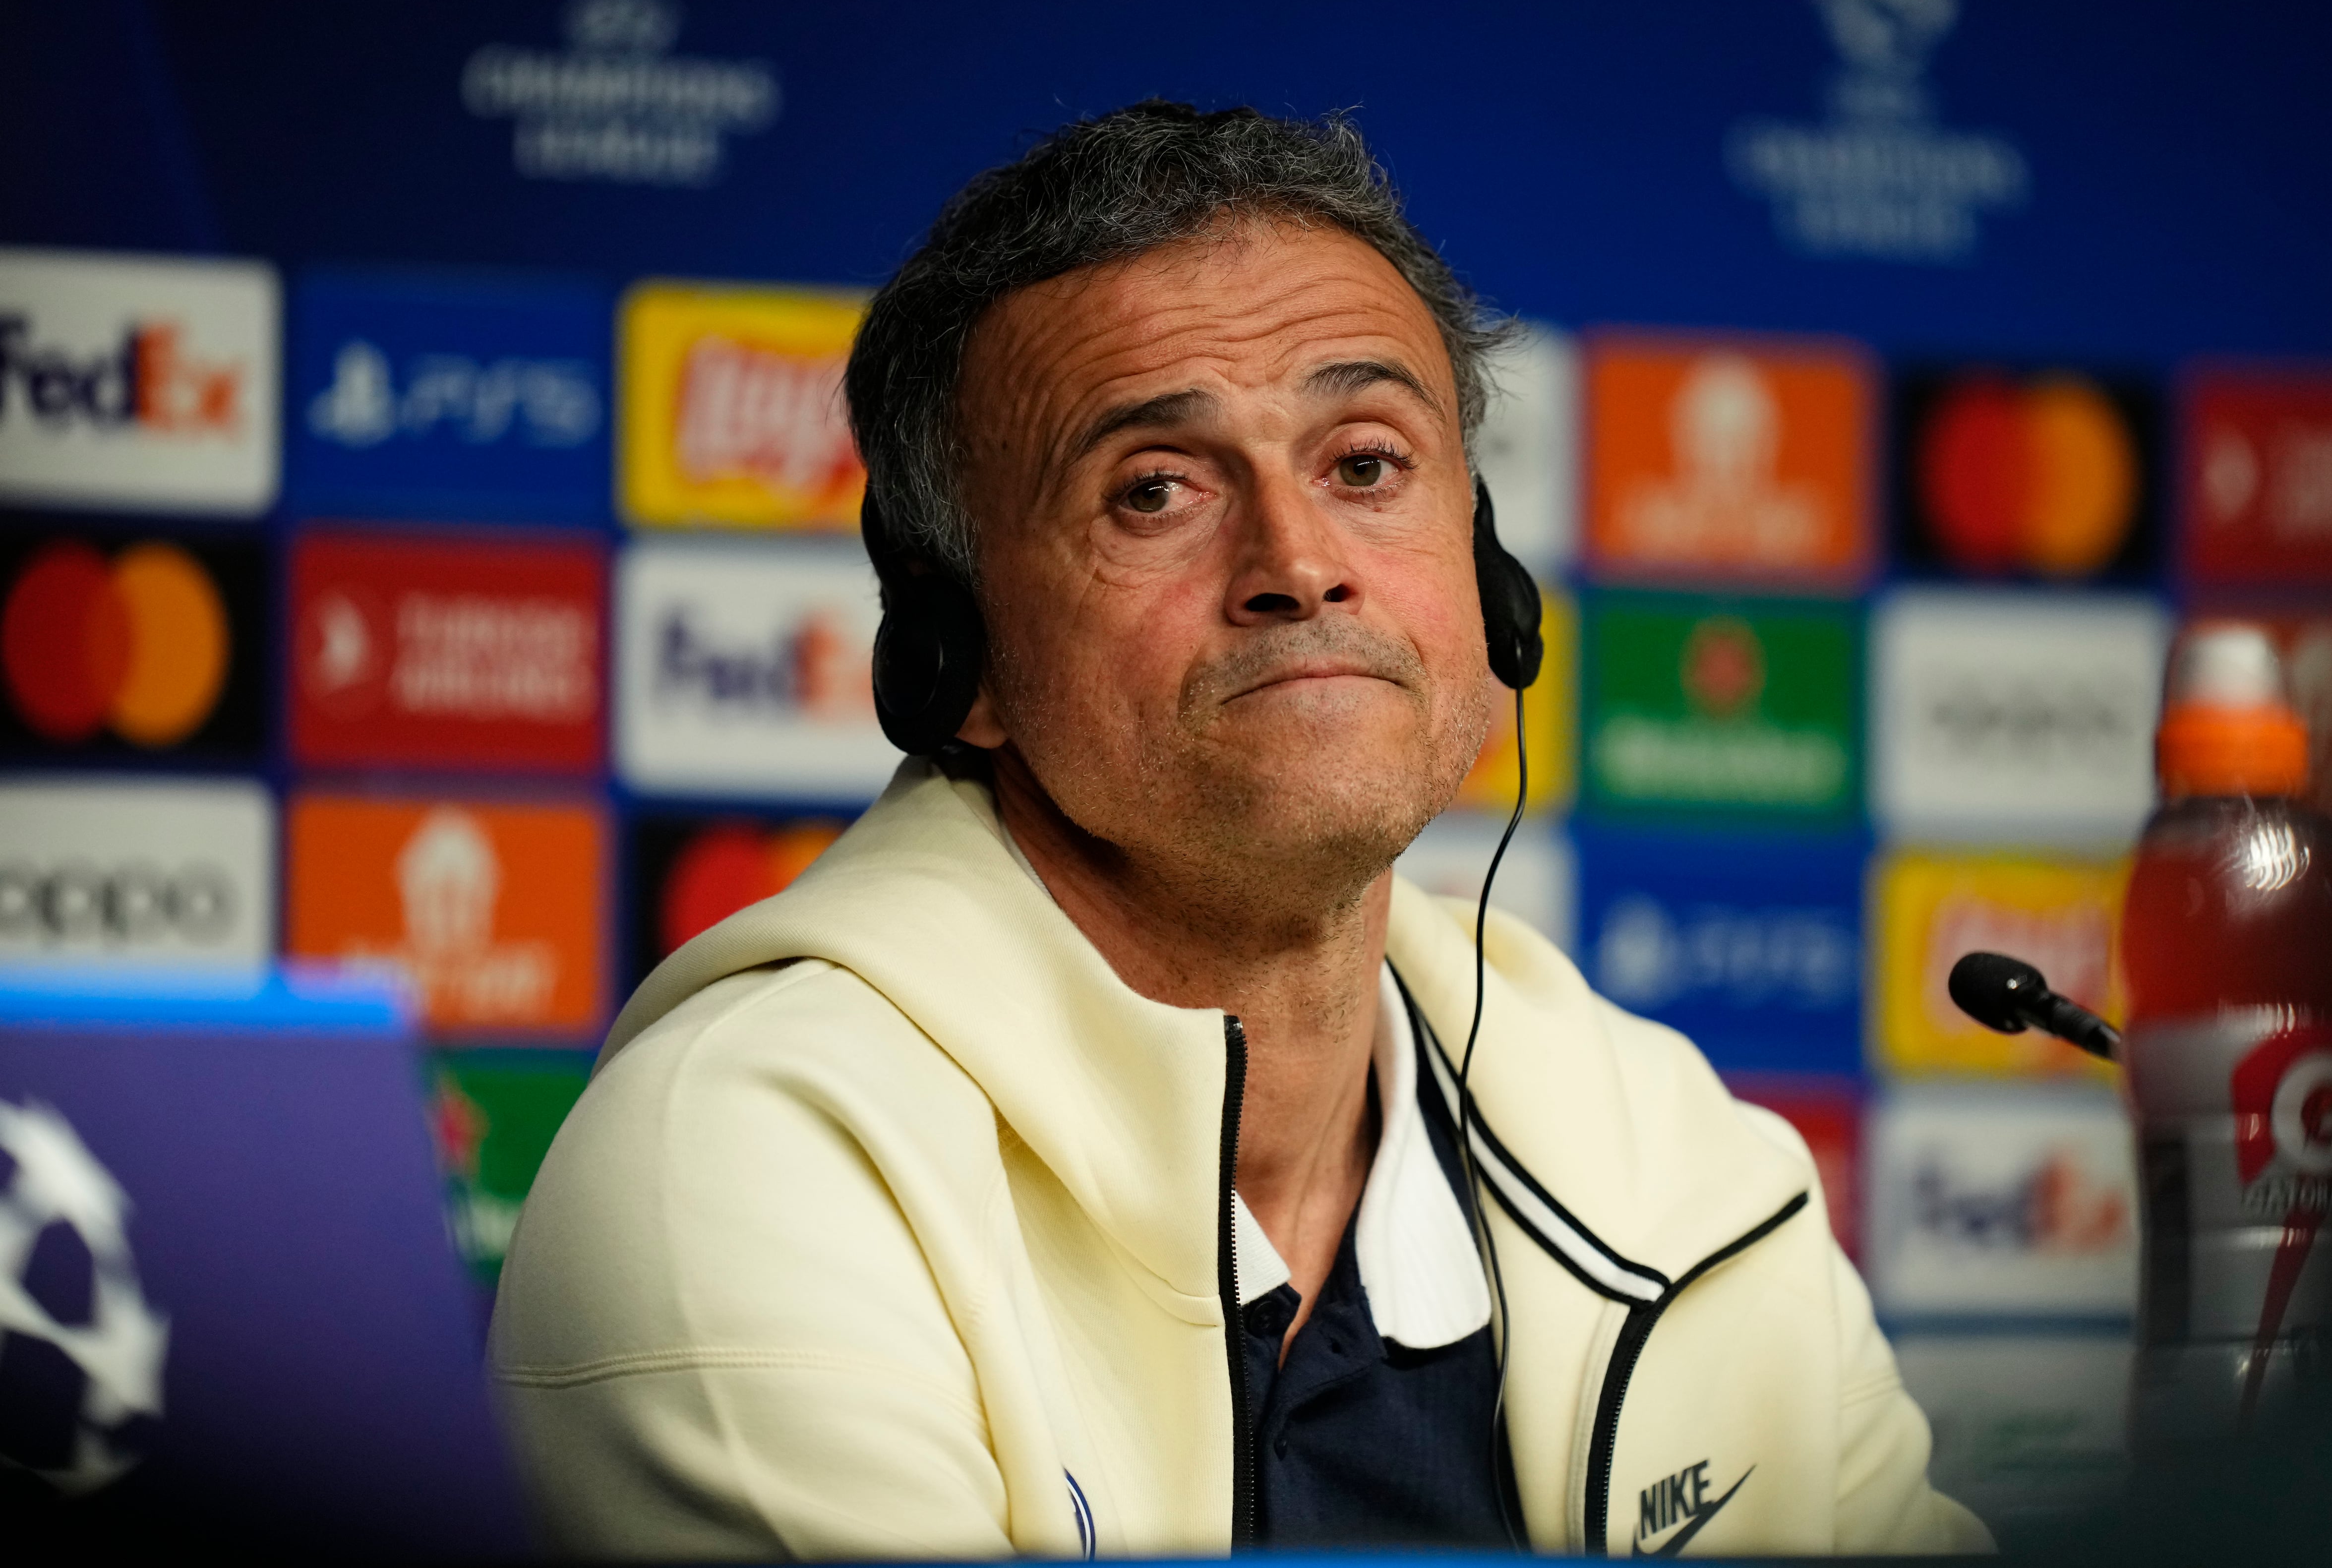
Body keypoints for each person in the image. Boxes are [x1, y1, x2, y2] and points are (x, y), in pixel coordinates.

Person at [490, 102, 1988, 1559]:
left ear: (1488, 587)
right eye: (1154, 491)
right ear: (960, 661)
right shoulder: (754, 1171)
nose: (1299, 563)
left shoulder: (1686, 1173)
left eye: (1365, 465)